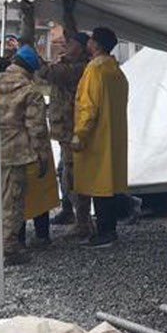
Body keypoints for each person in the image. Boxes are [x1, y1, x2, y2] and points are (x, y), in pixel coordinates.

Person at [0, 43, 52, 267]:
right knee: (11, 203)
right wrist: (42, 156)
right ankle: (8, 249)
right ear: (31, 70)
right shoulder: (29, 91)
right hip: (14, 156)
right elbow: (37, 128)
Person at [70, 27, 129, 248]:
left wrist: (80, 133)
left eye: (92, 39)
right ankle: (109, 228)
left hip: (96, 137)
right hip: (113, 135)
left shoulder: (94, 70)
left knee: (98, 184)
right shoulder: (116, 71)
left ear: (96, 44)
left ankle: (105, 232)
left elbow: (88, 106)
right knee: (109, 182)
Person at [40, 26, 90, 237]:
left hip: (72, 130)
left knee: (74, 175)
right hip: (65, 130)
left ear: (80, 48)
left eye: (70, 44)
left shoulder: (77, 68)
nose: (65, 47)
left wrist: (29, 49)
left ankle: (83, 222)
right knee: (65, 172)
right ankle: (70, 211)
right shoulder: (72, 64)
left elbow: (46, 73)